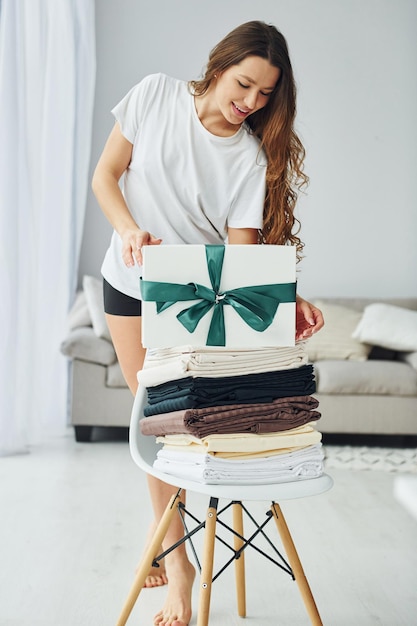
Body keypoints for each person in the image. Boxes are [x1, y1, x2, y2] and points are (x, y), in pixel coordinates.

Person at [92, 20, 324, 626]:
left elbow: (240, 259)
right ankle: (171, 548)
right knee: (150, 423)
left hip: (189, 301)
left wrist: (285, 298)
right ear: (219, 65)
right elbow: (106, 175)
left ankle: (178, 570)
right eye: (243, 84)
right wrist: (128, 230)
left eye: (265, 94)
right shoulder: (154, 95)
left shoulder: (247, 158)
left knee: (175, 428)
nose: (250, 103)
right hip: (127, 279)